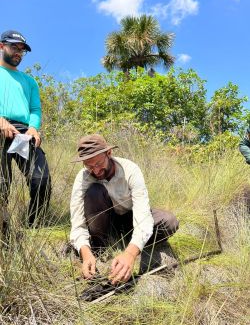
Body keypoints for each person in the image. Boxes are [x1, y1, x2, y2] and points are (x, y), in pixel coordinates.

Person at [70, 134, 179, 285]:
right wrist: (85, 253)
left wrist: (130, 254)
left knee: (169, 222)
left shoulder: (130, 170)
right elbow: (77, 224)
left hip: (130, 219)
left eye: (98, 163)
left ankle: (132, 242)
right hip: (104, 224)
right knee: (94, 191)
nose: (95, 170)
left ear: (109, 153)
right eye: (89, 166)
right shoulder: (82, 178)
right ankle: (99, 247)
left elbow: (143, 216)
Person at [0, 30, 51, 235]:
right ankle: (3, 230)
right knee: (2, 183)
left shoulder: (29, 81)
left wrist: (33, 127)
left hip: (22, 133)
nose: (18, 53)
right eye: (14, 47)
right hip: (0, 129)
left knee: (41, 180)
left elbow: (35, 110)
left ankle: (33, 227)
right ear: (1, 46)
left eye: (22, 50)